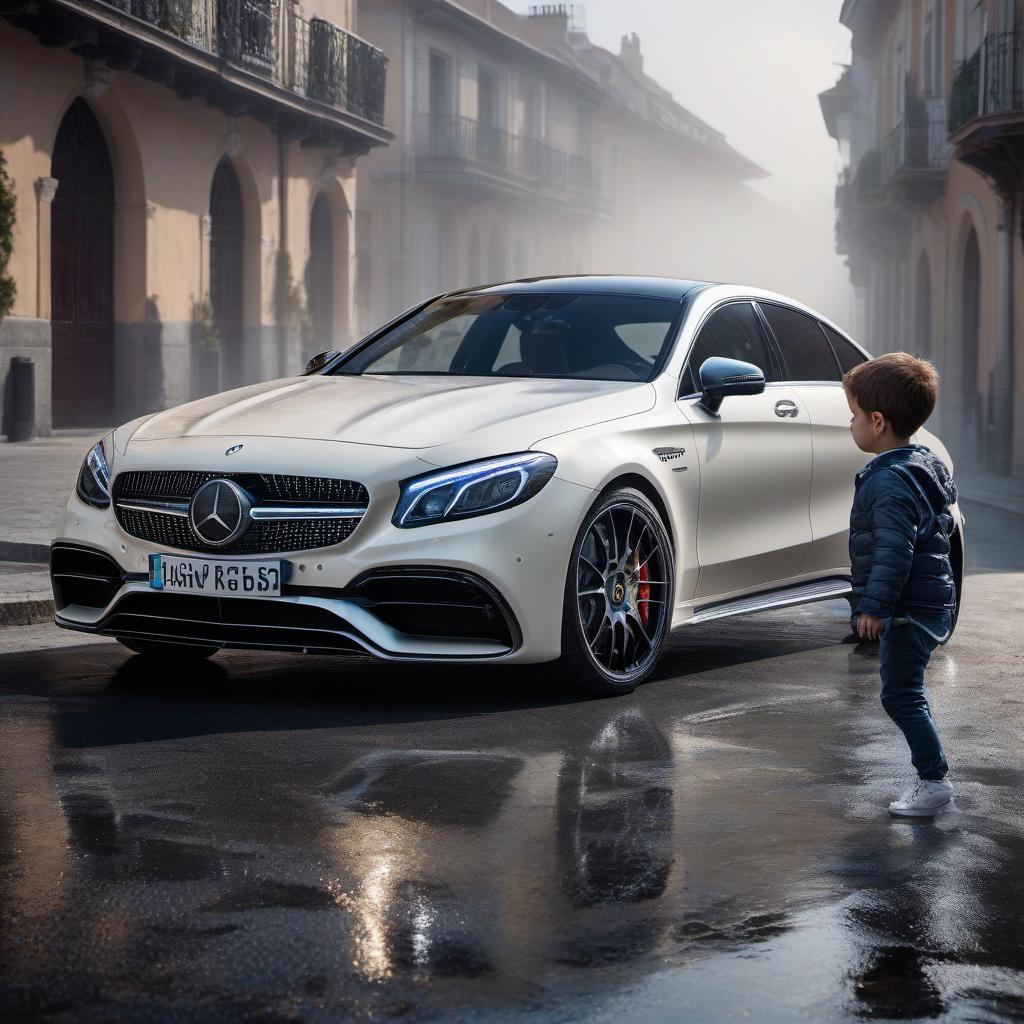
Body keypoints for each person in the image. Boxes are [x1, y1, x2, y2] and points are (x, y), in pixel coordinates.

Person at [844, 352, 959, 818]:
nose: (849, 425)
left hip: (908, 609)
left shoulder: (889, 482)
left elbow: (895, 552)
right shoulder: (920, 466)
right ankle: (932, 777)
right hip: (928, 605)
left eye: (852, 416)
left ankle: (933, 781)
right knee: (909, 689)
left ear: (876, 421)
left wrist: (874, 608)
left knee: (898, 693)